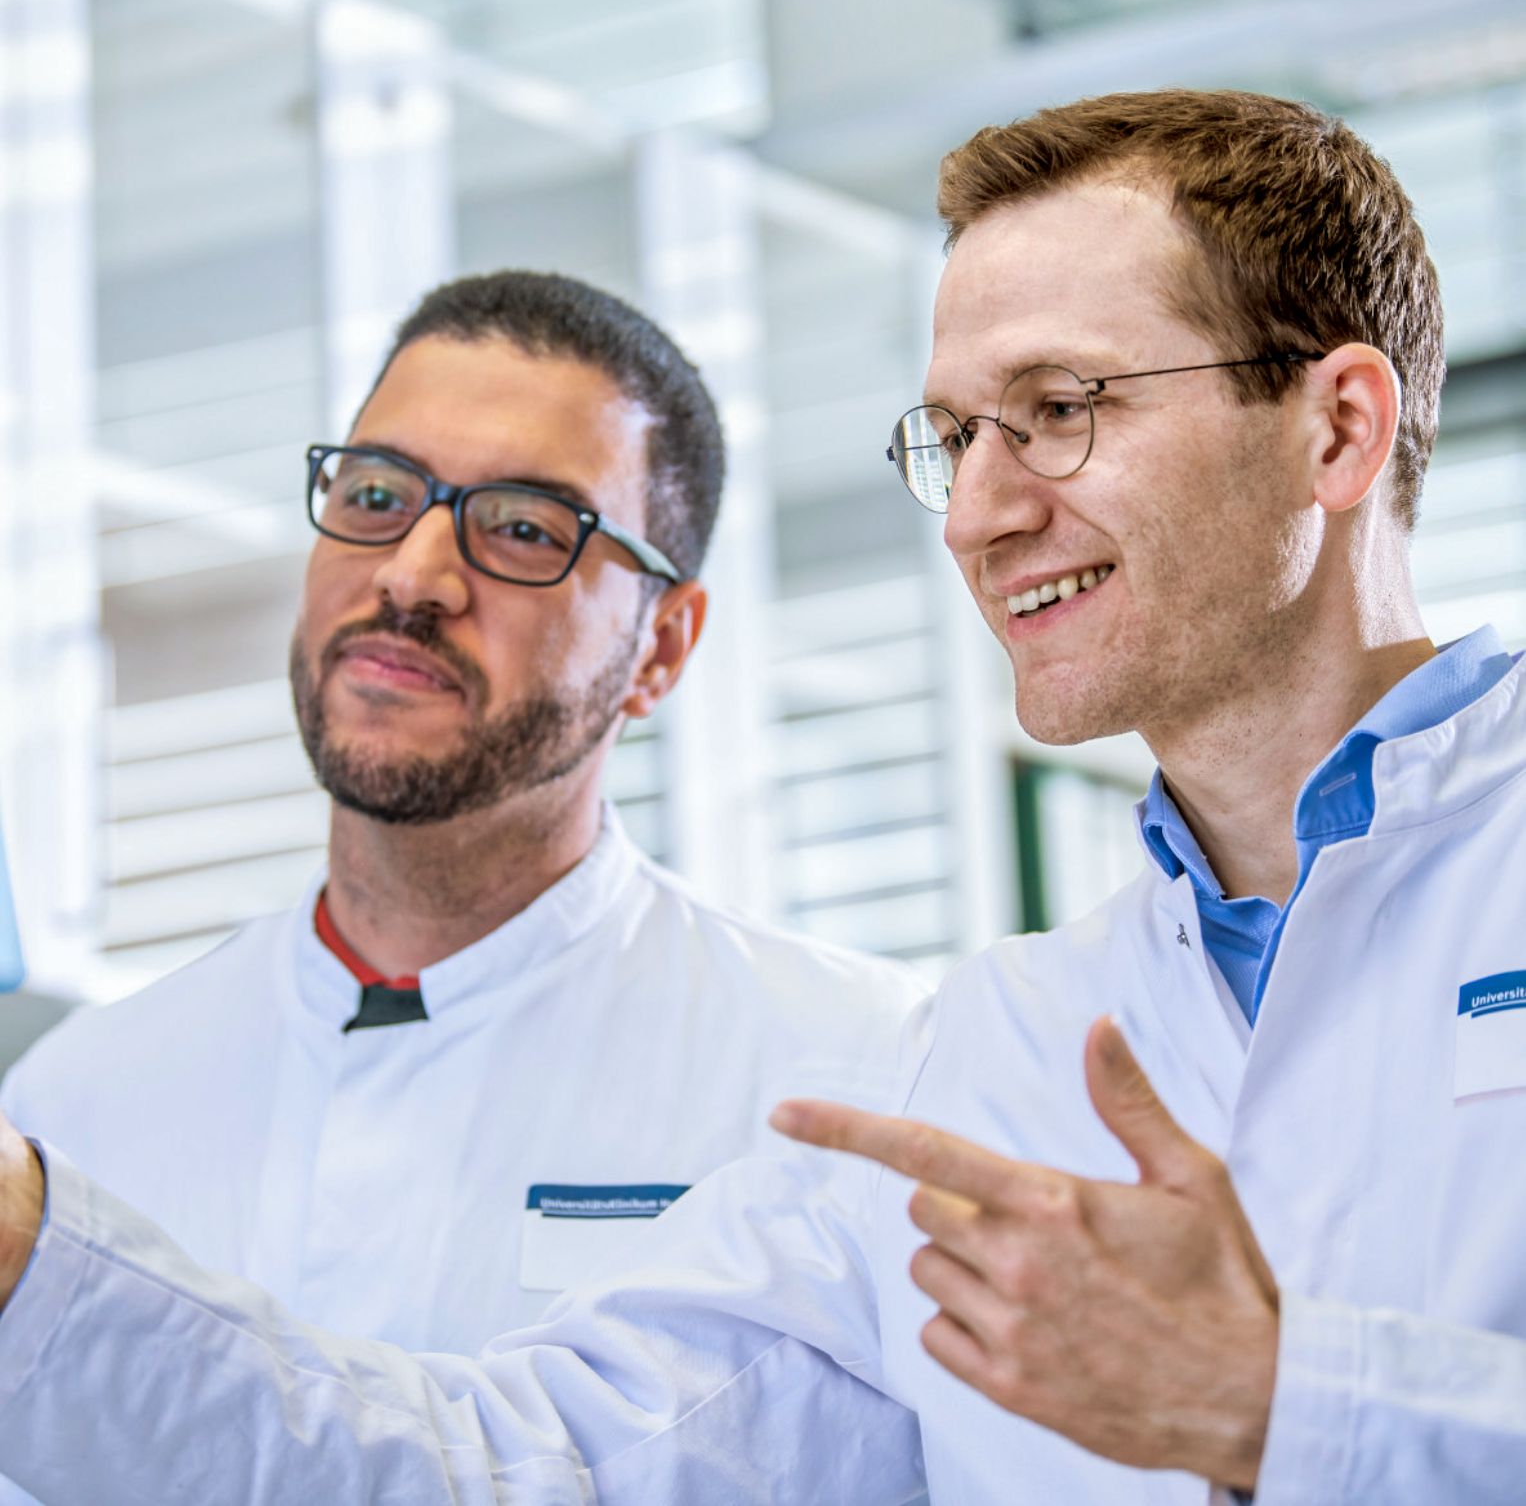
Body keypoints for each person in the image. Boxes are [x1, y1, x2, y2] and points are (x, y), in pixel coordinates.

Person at [0, 86, 1521, 1505]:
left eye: (1060, 406)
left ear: (1335, 426)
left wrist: (1286, 1400)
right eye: (957, 435)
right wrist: (21, 1250)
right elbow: (507, 1467)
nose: (984, 511)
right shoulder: (982, 1061)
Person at [0, 272, 925, 1493]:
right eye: (375, 495)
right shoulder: (77, 1096)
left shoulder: (857, 1074)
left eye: (526, 527)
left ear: (661, 645)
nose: (415, 573)